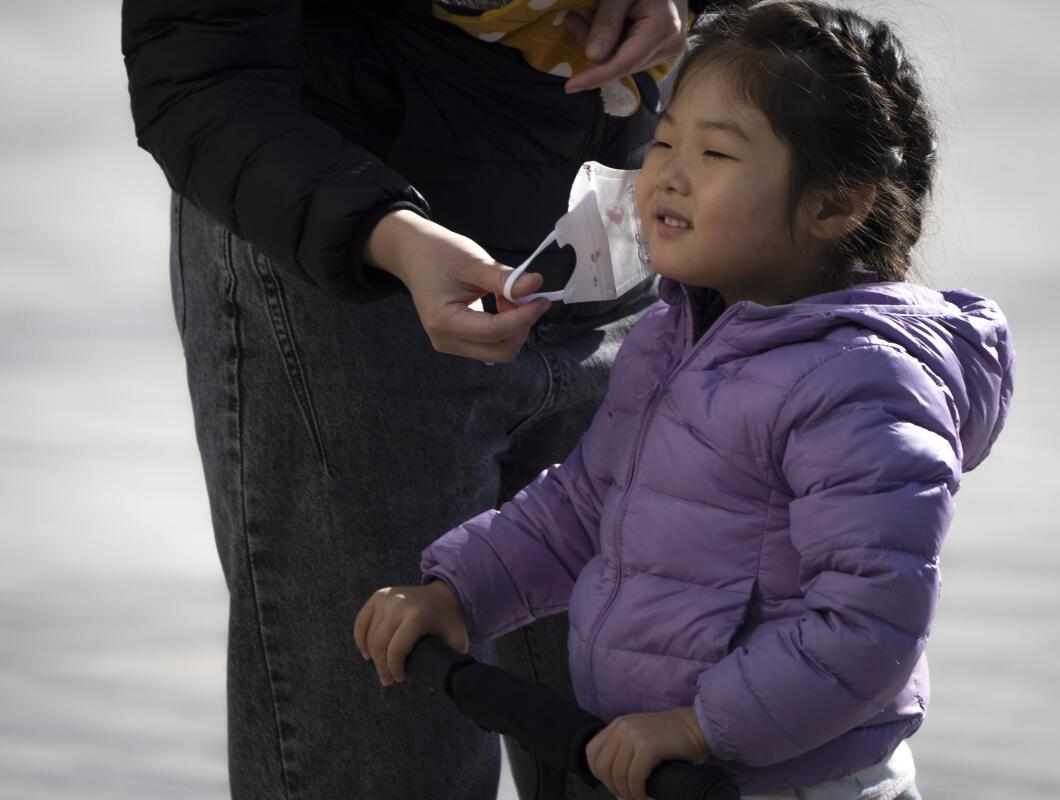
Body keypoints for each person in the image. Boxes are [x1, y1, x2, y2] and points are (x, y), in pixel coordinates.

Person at [354, 1, 1016, 798]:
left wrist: (701, 725)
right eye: (665, 139)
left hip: (789, 780)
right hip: (667, 767)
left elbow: (869, 630)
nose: (667, 170)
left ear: (838, 204)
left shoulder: (861, 384)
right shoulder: (676, 333)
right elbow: (584, 506)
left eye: (715, 152)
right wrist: (459, 591)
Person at [120, 0, 702, 797]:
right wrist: (386, 234)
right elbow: (196, 69)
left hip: (613, 235)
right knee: (391, 750)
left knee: (643, 747)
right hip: (352, 262)